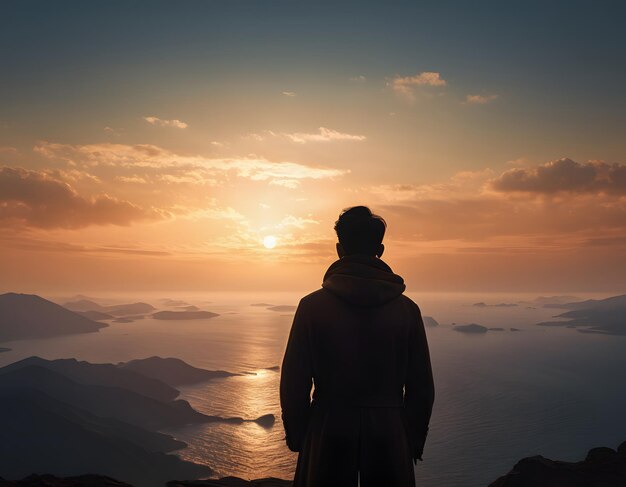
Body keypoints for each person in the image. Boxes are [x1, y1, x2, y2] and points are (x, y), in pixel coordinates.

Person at [280, 206, 435, 487]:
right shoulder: (407, 310)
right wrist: (411, 439)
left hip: (327, 430)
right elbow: (421, 386)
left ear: (340, 249)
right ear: (380, 249)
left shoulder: (312, 307)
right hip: (390, 432)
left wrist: (299, 435)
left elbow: (294, 381)